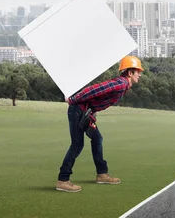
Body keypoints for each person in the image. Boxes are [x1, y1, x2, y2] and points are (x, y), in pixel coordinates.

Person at [56, 55, 144, 193]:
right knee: (77, 145)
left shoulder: (123, 85)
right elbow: (95, 89)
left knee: (97, 139)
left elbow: (98, 98)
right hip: (77, 110)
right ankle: (63, 180)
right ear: (130, 72)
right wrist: (73, 99)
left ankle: (102, 174)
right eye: (138, 71)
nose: (140, 74)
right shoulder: (120, 84)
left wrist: (92, 112)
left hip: (85, 112)